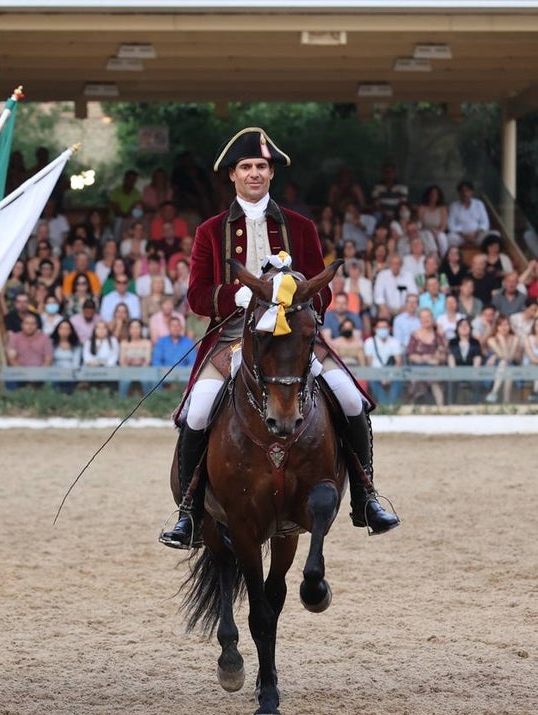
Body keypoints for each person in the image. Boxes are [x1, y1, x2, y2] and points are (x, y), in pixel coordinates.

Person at [160, 127, 398, 551]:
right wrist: (240, 294)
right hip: (234, 338)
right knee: (197, 412)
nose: (255, 173)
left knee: (350, 399)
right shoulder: (210, 231)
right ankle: (190, 513)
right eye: (247, 167)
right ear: (232, 175)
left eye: (262, 167)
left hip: (292, 338)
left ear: (272, 174)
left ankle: (365, 497)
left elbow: (322, 292)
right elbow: (198, 297)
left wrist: (297, 291)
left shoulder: (301, 226)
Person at [363, 318, 403, 406]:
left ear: (389, 328)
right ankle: (383, 407)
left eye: (385, 327)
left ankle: (392, 407)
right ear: (375, 329)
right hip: (375, 373)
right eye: (380, 327)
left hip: (393, 373)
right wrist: (381, 377)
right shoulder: (369, 342)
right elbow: (370, 363)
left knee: (398, 379)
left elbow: (398, 362)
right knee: (373, 380)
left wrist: (390, 377)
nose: (382, 330)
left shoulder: (395, 342)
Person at [447, 317, 483, 404]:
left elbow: (477, 357)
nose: (464, 327)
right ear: (457, 329)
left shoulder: (475, 342)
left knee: (476, 381)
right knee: (451, 381)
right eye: (461, 326)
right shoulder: (453, 342)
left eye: (466, 325)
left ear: (470, 328)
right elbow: (451, 357)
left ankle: (476, 405)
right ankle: (451, 406)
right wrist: (454, 372)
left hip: (471, 371)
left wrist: (474, 372)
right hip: (456, 371)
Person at [447, 181, 491, 248]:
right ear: (459, 193)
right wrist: (464, 236)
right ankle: (455, 255)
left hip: (477, 235)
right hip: (461, 237)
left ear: (472, 192)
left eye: (467, 191)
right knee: (450, 238)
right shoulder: (454, 206)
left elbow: (485, 222)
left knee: (495, 235)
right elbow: (451, 225)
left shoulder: (479, 204)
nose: (464, 193)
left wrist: (476, 234)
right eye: (462, 191)